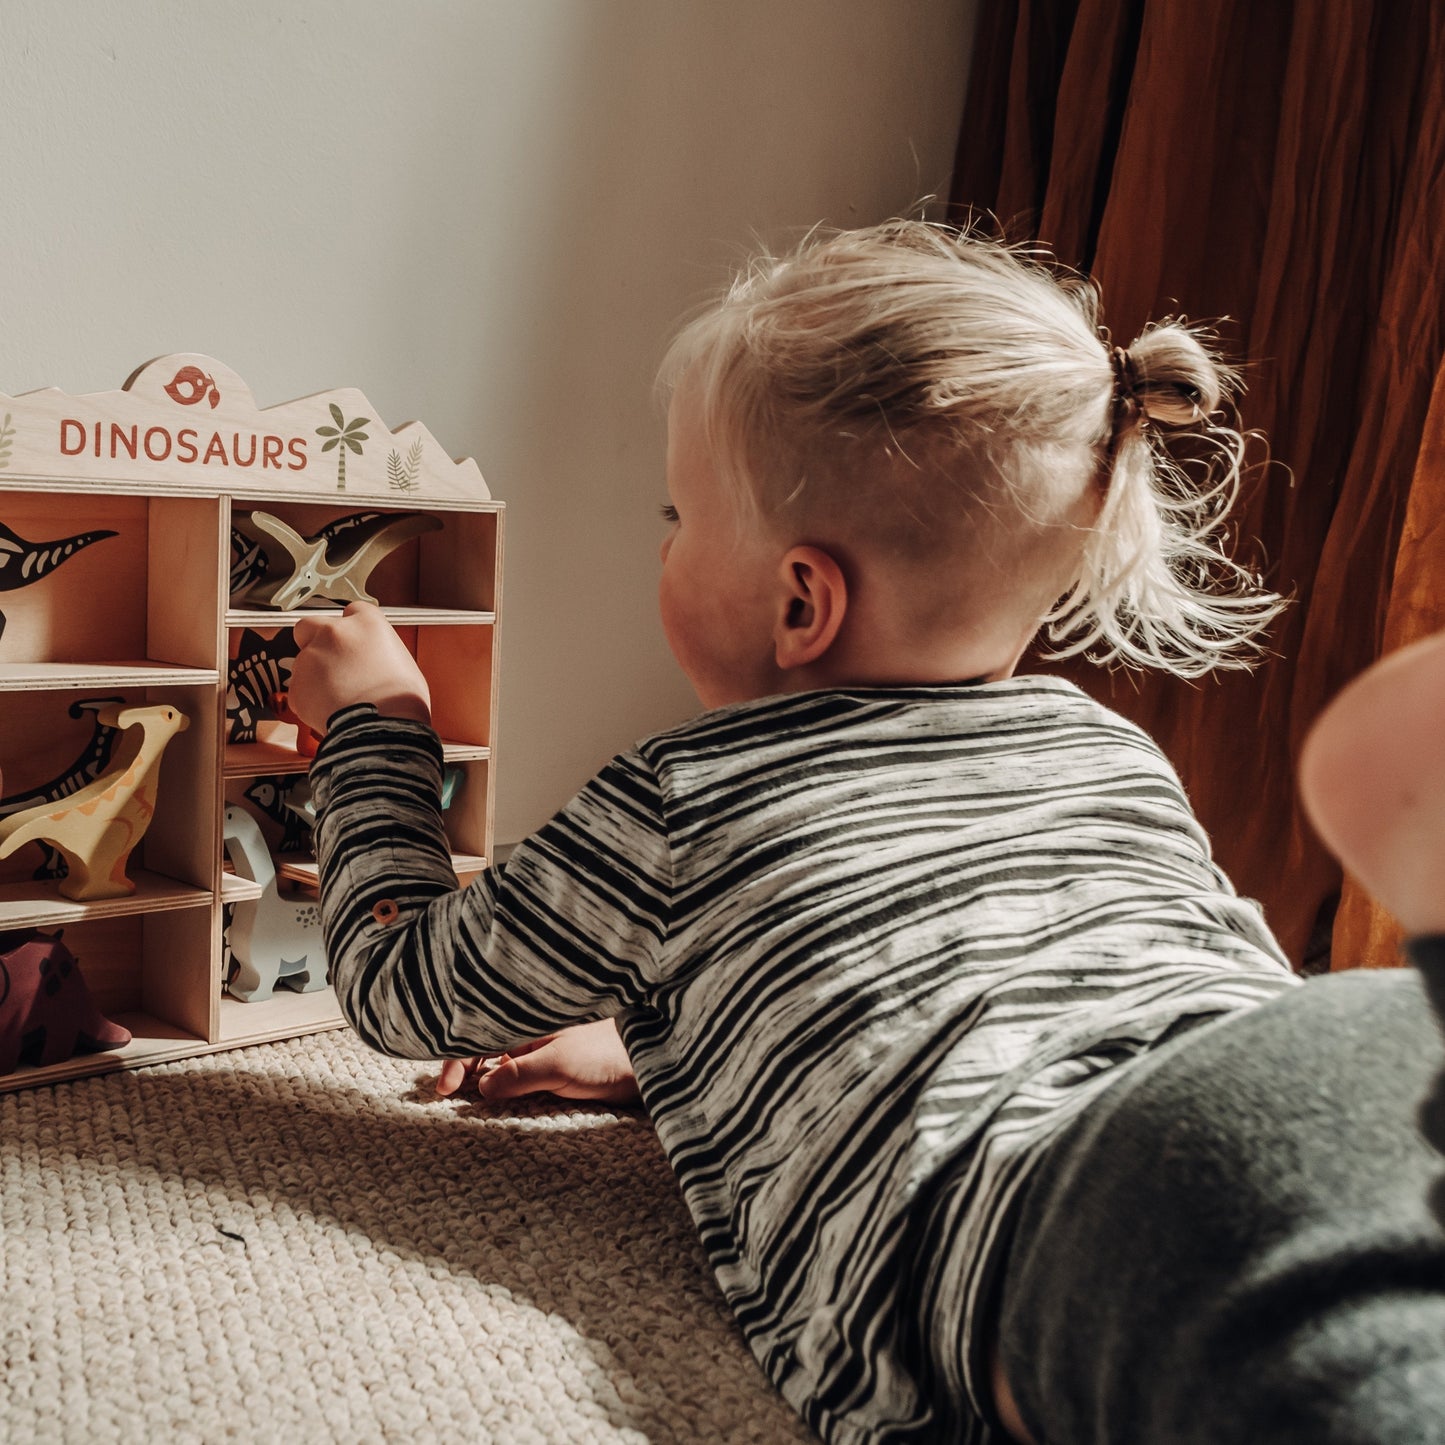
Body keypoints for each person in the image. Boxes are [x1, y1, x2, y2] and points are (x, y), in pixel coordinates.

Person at [288, 220, 1445, 1445]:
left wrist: (377, 722)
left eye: (674, 514)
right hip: (1324, 1041)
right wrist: (680, 1043)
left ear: (800, 600)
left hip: (1087, 1194)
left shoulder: (684, 791)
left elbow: (397, 977)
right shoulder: (1097, 740)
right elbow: (995, 968)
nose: (664, 540)